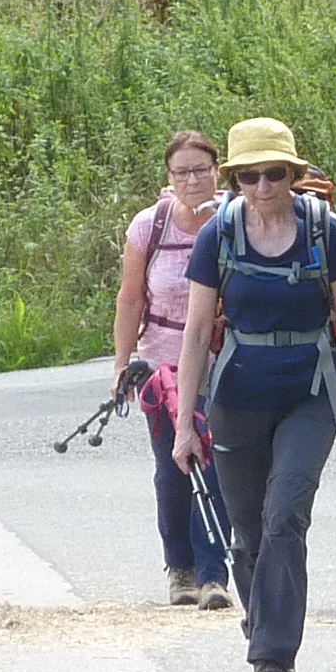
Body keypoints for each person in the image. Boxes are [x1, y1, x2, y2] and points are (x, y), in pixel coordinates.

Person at [172, 118, 336, 672]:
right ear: (234, 180)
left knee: (285, 515)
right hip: (236, 396)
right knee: (248, 534)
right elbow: (195, 334)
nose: (263, 186)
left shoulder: (324, 232)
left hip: (308, 395)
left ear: (294, 175)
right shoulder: (218, 236)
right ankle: (265, 621)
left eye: (274, 174)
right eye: (249, 176)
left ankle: (273, 660)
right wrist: (184, 423)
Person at [112, 131, 234, 611]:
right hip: (161, 365)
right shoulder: (150, 226)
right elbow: (131, 299)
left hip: (222, 361)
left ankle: (213, 574)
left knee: (218, 466)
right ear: (168, 177)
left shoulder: (234, 220)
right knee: (172, 469)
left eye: (201, 170)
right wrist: (122, 364)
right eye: (181, 172)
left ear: (217, 171)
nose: (192, 180)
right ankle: (180, 567)